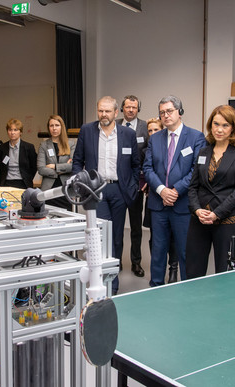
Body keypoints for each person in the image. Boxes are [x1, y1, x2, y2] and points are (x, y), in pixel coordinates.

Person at [72, 96, 140, 295]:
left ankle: (113, 278)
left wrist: (133, 185)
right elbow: (77, 161)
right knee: (99, 236)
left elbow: (136, 164)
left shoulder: (128, 134)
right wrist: (81, 182)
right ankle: (100, 279)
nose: (103, 115)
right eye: (100, 111)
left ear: (116, 113)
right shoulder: (87, 130)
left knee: (117, 237)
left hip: (120, 190)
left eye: (107, 111)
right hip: (96, 190)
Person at [143, 95, 206, 286]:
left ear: (180, 111)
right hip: (158, 204)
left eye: (169, 111)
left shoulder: (196, 137)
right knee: (158, 249)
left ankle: (187, 288)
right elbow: (147, 168)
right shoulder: (155, 139)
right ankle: (155, 286)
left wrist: (175, 190)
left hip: (182, 205)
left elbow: (197, 169)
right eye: (162, 112)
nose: (165, 115)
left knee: (185, 250)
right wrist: (162, 190)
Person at [186, 105, 235, 278]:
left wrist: (216, 214)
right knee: (194, 269)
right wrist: (197, 209)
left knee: (225, 271)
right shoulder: (203, 152)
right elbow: (193, 186)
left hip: (227, 221)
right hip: (200, 219)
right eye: (216, 124)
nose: (219, 129)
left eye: (225, 125)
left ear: (233, 128)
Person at [116, 95, 149, 278]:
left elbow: (149, 155)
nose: (130, 110)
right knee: (117, 227)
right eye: (127, 107)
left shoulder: (145, 128)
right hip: (118, 185)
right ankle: (117, 261)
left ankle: (136, 262)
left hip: (137, 185)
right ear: (122, 109)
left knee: (136, 227)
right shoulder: (115, 126)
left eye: (134, 107)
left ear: (138, 109)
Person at [143, 118, 178, 283]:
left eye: (155, 130)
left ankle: (173, 268)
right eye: (149, 131)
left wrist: (170, 192)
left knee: (173, 239)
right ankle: (157, 278)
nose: (152, 133)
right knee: (156, 240)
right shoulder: (149, 148)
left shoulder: (171, 144)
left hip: (176, 197)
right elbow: (146, 170)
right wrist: (160, 190)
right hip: (155, 199)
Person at [37, 115, 75, 211]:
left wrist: (55, 166)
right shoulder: (44, 145)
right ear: (48, 128)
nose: (54, 128)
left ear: (62, 127)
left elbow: (73, 166)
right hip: (48, 190)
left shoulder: (70, 144)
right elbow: (41, 169)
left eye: (57, 125)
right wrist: (62, 170)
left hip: (65, 189)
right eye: (51, 126)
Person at [0, 118, 37, 189]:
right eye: (10, 130)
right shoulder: (2, 147)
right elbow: (2, 166)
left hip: (23, 183)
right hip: (6, 182)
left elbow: (34, 167)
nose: (12, 132)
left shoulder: (28, 147)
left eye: (15, 130)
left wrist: (28, 178)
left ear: (21, 132)